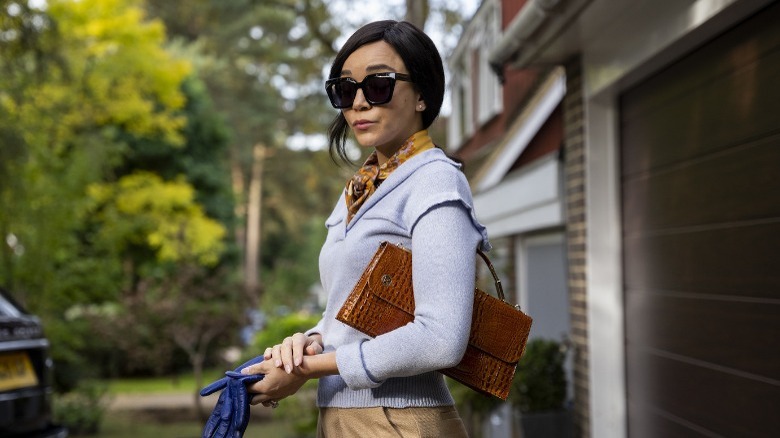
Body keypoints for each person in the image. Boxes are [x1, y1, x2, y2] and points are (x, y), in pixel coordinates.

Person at [241, 19, 490, 437]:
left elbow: (442, 336)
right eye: (344, 89)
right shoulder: (361, 189)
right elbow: (345, 315)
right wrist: (310, 342)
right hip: (342, 418)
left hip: (399, 421)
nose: (357, 103)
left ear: (422, 96)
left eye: (378, 85)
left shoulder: (434, 181)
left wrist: (307, 368)